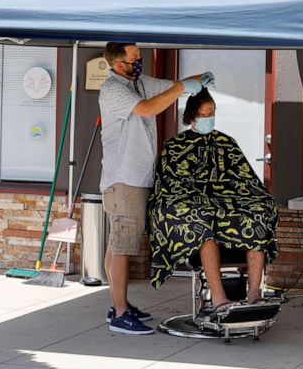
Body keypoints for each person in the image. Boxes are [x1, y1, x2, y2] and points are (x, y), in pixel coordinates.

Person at [98, 42, 212, 335]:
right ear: (117, 62)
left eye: (140, 57)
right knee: (123, 247)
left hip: (135, 178)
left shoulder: (139, 83)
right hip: (124, 180)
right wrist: (180, 88)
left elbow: (172, 87)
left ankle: (118, 304)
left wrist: (196, 81)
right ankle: (121, 314)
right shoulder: (114, 90)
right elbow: (149, 109)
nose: (140, 61)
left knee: (116, 244)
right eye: (134, 58)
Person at [147, 88, 278, 312]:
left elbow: (246, 180)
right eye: (205, 115)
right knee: (202, 221)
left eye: (212, 113)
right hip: (193, 209)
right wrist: (201, 201)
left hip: (226, 207)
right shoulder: (174, 147)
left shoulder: (226, 143)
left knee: (257, 216)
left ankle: (255, 294)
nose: (210, 119)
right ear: (191, 117)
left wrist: (258, 201)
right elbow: (170, 187)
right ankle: (219, 298)